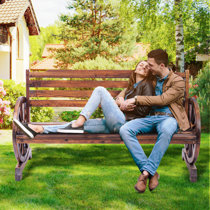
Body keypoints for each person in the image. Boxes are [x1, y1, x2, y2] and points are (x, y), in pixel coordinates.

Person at [13, 60, 154, 138]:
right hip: (116, 124)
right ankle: (39, 129)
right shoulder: (130, 87)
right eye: (141, 64)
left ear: (148, 73)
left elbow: (144, 111)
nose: (143, 66)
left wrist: (130, 104)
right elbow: (120, 97)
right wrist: (120, 101)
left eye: (147, 66)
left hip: (125, 124)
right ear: (135, 68)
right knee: (76, 127)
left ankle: (81, 119)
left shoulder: (146, 85)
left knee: (100, 90)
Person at [118, 49, 190, 193]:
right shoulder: (151, 76)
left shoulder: (178, 82)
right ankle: (152, 172)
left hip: (169, 118)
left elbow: (163, 99)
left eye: (150, 65)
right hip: (149, 118)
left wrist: (137, 99)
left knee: (166, 130)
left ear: (161, 65)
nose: (147, 68)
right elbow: (131, 87)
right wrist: (120, 99)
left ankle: (144, 174)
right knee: (125, 129)